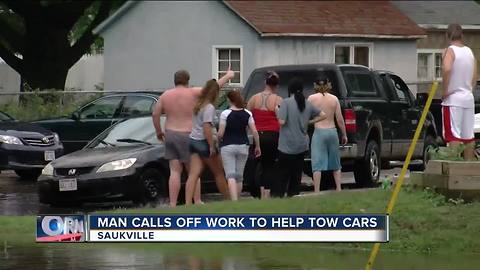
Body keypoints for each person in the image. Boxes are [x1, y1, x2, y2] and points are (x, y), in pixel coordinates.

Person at [152, 70, 234, 207]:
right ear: (187, 80)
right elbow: (213, 87)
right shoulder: (193, 92)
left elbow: (155, 114)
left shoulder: (166, 95)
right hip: (188, 134)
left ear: (175, 80)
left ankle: (173, 204)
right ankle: (196, 201)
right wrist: (227, 76)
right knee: (193, 171)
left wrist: (159, 131)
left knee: (175, 171)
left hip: (171, 133)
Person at [274, 78, 326, 197]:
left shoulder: (286, 102)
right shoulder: (307, 103)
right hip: (302, 145)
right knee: (296, 174)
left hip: (286, 145)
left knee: (282, 174)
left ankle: (279, 196)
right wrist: (310, 121)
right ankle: (294, 195)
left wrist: (277, 111)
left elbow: (281, 122)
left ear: (290, 90)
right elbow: (323, 115)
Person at [184, 79, 227, 206]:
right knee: (219, 173)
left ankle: (187, 203)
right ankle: (228, 199)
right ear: (215, 93)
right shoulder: (209, 107)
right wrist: (211, 146)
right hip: (203, 142)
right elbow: (206, 127)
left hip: (193, 140)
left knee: (193, 174)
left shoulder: (198, 104)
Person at [441, 23, 478, 161]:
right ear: (462, 35)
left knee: (453, 136)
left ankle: (453, 166)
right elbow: (475, 74)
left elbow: (447, 69)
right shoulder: (469, 51)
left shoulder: (449, 51)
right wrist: (470, 88)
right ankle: (468, 168)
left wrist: (445, 90)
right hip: (468, 98)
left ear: (447, 35)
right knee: (468, 136)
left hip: (453, 99)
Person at [217, 90, 261, 201]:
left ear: (229, 100)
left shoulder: (225, 114)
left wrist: (216, 138)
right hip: (243, 145)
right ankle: (237, 198)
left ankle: (234, 200)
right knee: (239, 176)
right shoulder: (247, 113)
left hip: (227, 145)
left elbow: (221, 133)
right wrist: (257, 146)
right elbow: (255, 131)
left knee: (230, 175)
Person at [246, 71, 283, 199]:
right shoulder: (278, 100)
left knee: (258, 164)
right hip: (273, 135)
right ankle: (267, 193)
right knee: (270, 165)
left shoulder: (254, 98)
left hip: (258, 135)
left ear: (265, 83)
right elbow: (281, 119)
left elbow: (248, 116)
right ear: (276, 86)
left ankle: (260, 192)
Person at [308, 76, 347, 192]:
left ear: (315, 85)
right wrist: (344, 134)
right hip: (332, 131)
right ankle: (339, 188)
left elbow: (305, 114)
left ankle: (317, 190)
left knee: (317, 164)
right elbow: (339, 119)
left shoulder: (311, 98)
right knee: (336, 163)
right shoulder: (334, 99)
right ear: (328, 85)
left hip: (319, 132)